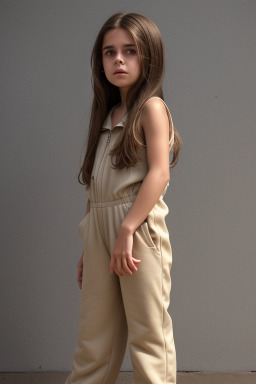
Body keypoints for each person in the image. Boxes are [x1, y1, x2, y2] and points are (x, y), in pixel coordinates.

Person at [65, 11, 182, 384]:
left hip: (137, 227)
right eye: (109, 52)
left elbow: (159, 173)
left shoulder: (151, 108)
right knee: (95, 335)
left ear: (148, 56)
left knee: (148, 331)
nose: (118, 59)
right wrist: (90, 243)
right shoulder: (107, 114)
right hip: (101, 229)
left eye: (130, 51)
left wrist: (127, 228)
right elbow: (96, 183)